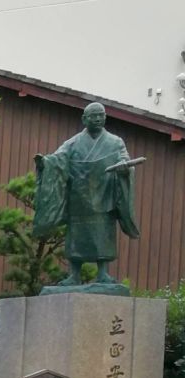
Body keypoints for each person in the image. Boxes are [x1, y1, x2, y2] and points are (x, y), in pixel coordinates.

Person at [32, 102, 139, 286]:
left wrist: (123, 169)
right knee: (76, 237)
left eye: (101, 115)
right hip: (79, 197)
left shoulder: (115, 142)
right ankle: (74, 274)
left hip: (104, 196)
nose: (98, 119)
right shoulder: (73, 143)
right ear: (84, 119)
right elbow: (58, 159)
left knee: (103, 234)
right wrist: (45, 163)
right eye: (93, 116)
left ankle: (103, 273)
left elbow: (124, 160)